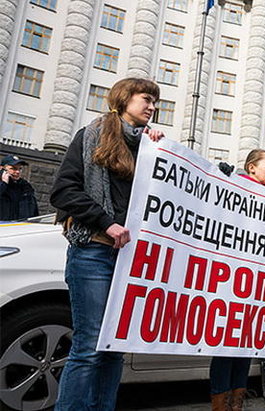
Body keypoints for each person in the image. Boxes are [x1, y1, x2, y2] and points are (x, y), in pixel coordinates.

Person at [50, 78, 164, 411]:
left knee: (114, 346)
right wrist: (106, 222)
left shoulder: (147, 145)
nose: (152, 107)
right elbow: (63, 191)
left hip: (129, 259)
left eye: (155, 102)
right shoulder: (91, 136)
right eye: (146, 99)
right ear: (124, 98)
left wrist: (159, 151)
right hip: (93, 252)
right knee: (89, 346)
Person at [213, 149, 265, 410]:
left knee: (243, 348)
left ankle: (236, 404)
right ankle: (220, 403)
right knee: (225, 347)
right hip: (232, 281)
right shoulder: (236, 188)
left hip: (258, 285)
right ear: (251, 168)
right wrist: (222, 180)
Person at [0, 154, 39, 221]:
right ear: (2, 169)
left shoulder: (25, 187)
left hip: (20, 228)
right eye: (13, 168)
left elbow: (34, 211)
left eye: (20, 169)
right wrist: (4, 184)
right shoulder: (2, 186)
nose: (17, 172)